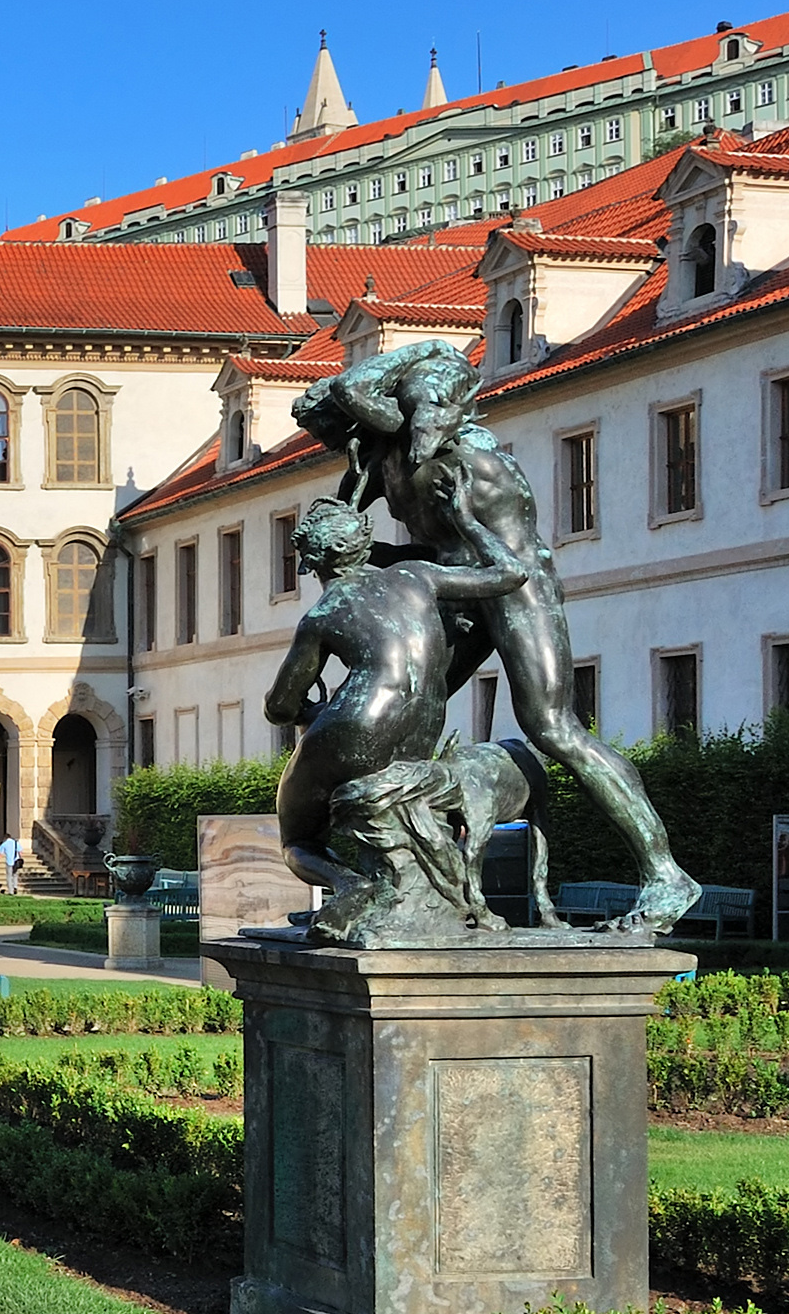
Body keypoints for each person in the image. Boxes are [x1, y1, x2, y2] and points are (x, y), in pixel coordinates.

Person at [295, 342, 699, 934]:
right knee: (404, 716)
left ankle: (665, 873)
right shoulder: (383, 461)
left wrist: (425, 349)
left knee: (553, 728)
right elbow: (357, 531)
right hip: (458, 591)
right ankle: (399, 889)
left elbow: (499, 556)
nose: (337, 445)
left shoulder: (472, 459)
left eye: (338, 432)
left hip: (516, 588)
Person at [263, 477, 528, 940]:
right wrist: (467, 521)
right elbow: (510, 574)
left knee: (298, 837)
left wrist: (300, 711)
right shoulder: (416, 576)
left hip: (353, 728)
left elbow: (281, 706)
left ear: (309, 563)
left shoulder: (321, 617)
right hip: (422, 725)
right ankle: (400, 895)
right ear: (363, 545)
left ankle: (349, 885)